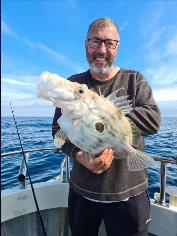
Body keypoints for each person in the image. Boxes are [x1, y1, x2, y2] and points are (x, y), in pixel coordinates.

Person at [52, 17, 161, 236]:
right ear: (86, 45)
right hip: (82, 193)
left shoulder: (135, 80)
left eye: (110, 43)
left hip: (128, 195)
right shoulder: (74, 85)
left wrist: (106, 115)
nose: (102, 50)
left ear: (117, 47)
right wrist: (78, 155)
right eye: (95, 42)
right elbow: (58, 132)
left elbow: (154, 120)